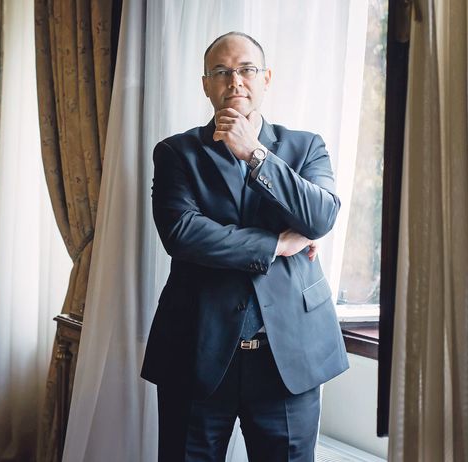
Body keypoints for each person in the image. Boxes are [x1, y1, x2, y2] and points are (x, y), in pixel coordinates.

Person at [141, 31, 349, 461]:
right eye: (221, 71)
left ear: (265, 78)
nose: (234, 80)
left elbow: (320, 217)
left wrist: (255, 154)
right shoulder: (176, 152)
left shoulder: (306, 146)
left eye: (246, 69)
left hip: (288, 358)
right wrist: (277, 243)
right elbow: (182, 233)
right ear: (206, 84)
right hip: (195, 351)